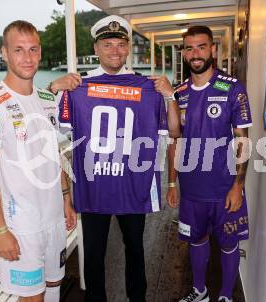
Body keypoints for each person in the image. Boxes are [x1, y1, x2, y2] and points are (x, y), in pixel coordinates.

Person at [56, 15, 181, 302]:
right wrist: (54, 87)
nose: (115, 50)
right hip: (95, 183)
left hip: (132, 183)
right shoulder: (77, 87)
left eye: (121, 44)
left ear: (127, 48)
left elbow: (174, 130)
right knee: (95, 254)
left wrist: (170, 95)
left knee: (136, 249)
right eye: (108, 44)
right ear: (96, 49)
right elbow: (49, 126)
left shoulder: (147, 87)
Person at [0, 20, 77, 302]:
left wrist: (66, 198)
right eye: (18, 50)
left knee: (55, 283)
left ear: (40, 52)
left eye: (33, 49)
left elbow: (53, 152)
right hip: (22, 225)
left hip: (54, 215)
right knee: (32, 297)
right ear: (4, 53)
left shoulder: (46, 98)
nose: (27, 58)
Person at [163, 25, 252, 302]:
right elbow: (175, 140)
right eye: (189, 48)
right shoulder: (178, 93)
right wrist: (172, 181)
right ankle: (200, 291)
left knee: (228, 243)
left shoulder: (232, 88)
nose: (195, 53)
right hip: (191, 189)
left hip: (225, 187)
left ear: (213, 49)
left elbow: (243, 140)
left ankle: (226, 296)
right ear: (184, 53)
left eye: (201, 46)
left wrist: (238, 185)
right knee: (196, 240)